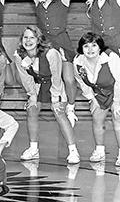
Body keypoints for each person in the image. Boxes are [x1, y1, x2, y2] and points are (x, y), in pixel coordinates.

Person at [22, 0, 87, 127]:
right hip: (44, 46)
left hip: (62, 42)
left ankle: (71, 108)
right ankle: (35, 101)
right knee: (42, 78)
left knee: (68, 79)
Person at [14, 26, 80, 164]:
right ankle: (33, 149)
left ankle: (73, 151)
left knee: (58, 112)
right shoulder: (19, 56)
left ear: (38, 40)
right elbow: (25, 78)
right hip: (37, 84)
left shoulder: (51, 53)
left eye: (32, 37)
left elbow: (56, 76)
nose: (28, 40)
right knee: (31, 110)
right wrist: (32, 95)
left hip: (53, 84)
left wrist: (55, 98)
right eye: (25, 37)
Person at [73, 32, 120, 165]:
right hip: (99, 92)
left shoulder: (111, 57)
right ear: (81, 49)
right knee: (97, 117)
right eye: (86, 46)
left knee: (118, 117)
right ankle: (99, 151)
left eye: (94, 45)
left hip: (117, 89)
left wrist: (117, 103)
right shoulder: (78, 61)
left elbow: (119, 81)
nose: (90, 49)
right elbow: (81, 82)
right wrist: (91, 99)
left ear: (100, 47)